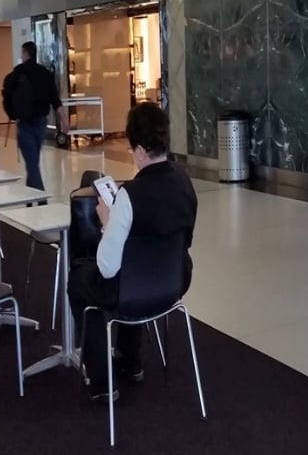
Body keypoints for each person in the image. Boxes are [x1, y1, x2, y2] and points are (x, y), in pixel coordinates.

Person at [68, 102, 198, 402]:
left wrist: (107, 224)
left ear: (140, 150)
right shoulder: (185, 183)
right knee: (134, 271)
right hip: (174, 282)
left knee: (81, 281)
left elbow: (106, 267)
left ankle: (100, 380)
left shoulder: (129, 196)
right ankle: (130, 361)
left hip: (135, 291)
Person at [2, 41, 69, 190]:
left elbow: (6, 91)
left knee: (32, 164)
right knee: (33, 161)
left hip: (24, 124)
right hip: (41, 124)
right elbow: (55, 99)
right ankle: (31, 193)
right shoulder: (45, 73)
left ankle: (40, 196)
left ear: (25, 53)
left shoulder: (18, 72)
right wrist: (64, 120)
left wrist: (12, 111)